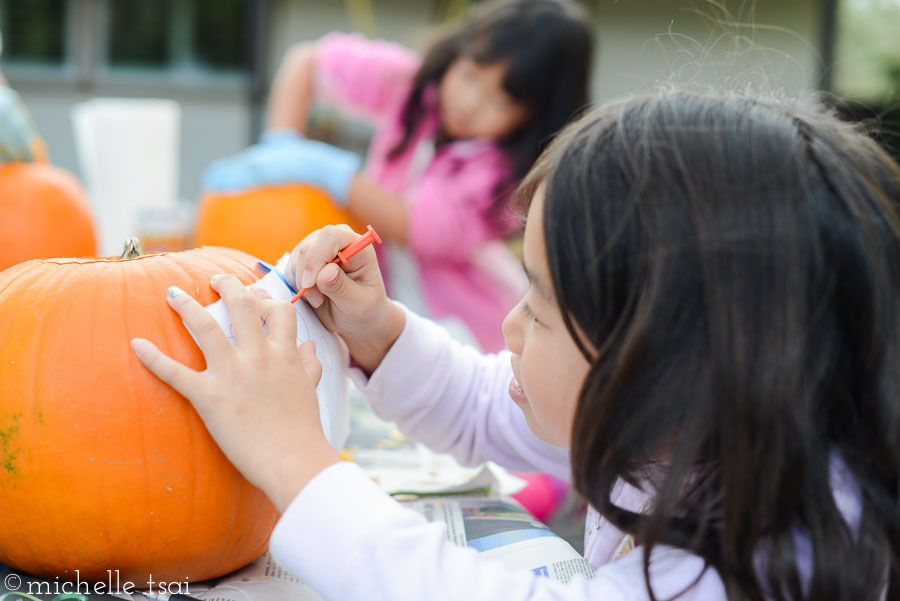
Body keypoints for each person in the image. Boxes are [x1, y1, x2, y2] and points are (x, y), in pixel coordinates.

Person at [131, 90, 900, 600]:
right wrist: (378, 331)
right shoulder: (695, 424)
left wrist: (294, 460)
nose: (509, 324)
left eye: (539, 304)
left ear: (669, 356)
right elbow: (486, 404)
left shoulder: (749, 564)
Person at [202, 0, 594, 352]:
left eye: (500, 99)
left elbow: (420, 227)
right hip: (375, 304)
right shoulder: (414, 86)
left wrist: (325, 170)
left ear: (536, 115)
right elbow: (307, 61)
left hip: (458, 331)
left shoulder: (502, 176)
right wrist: (281, 145)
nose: (470, 102)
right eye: (471, 74)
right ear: (457, 53)